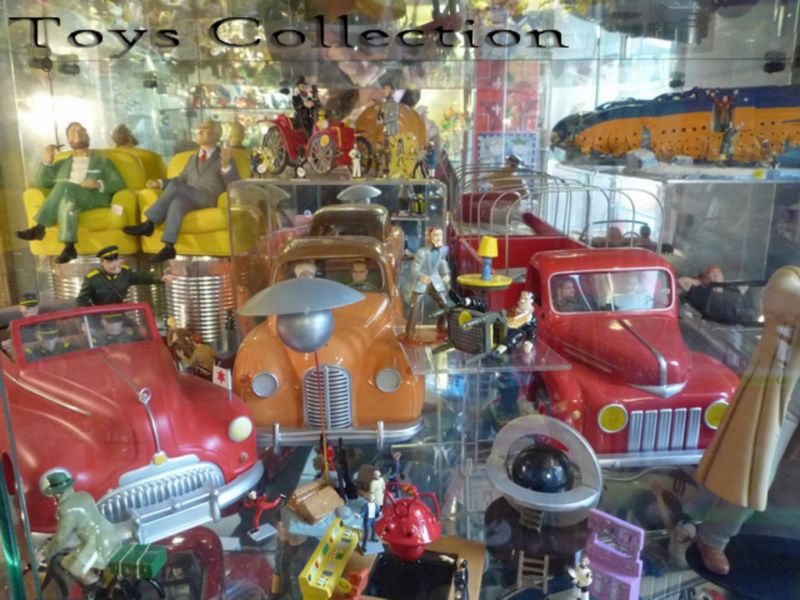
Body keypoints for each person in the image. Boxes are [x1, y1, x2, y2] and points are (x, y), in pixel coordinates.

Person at [694, 266, 800, 575]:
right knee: (753, 477)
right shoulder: (788, 279)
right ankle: (713, 537)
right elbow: (786, 301)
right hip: (781, 394)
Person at [123, 120, 240, 262]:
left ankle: (149, 223)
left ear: (217, 134)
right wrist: (159, 183)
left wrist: (226, 165)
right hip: (190, 196)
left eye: (205, 128)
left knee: (176, 188)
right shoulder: (192, 158)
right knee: (177, 203)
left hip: (207, 198)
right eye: (199, 127)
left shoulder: (223, 156)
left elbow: (234, 183)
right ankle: (169, 246)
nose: (200, 130)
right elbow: (181, 179)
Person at [16, 122, 126, 264]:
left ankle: (40, 227)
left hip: (93, 197)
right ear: (68, 139)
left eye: (80, 131)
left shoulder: (103, 162)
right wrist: (48, 162)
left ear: (87, 135)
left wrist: (98, 183)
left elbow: (119, 183)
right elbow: (41, 184)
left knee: (64, 186)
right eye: (72, 133)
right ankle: (69, 247)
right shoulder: (62, 164)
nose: (77, 134)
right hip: (70, 197)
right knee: (67, 201)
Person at [39, 470, 123, 586]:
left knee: (71, 566)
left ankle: (96, 588)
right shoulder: (84, 495)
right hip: (110, 534)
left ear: (58, 494)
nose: (54, 498)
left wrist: (45, 553)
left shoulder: (66, 509)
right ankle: (103, 586)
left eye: (53, 494)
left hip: (96, 544)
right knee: (71, 559)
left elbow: (60, 539)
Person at [76, 245, 173, 306]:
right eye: (110, 262)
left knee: (139, 331)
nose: (115, 265)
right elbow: (81, 301)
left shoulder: (125, 272)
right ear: (103, 263)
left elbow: (141, 277)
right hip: (101, 316)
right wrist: (92, 318)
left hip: (120, 313)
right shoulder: (93, 279)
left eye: (116, 260)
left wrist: (160, 278)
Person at [406, 226, 451, 339]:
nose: (438, 238)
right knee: (415, 306)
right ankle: (410, 332)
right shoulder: (421, 252)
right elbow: (414, 269)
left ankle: (441, 327)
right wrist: (421, 277)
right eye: (436, 235)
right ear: (429, 237)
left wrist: (445, 274)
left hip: (435, 280)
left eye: (440, 235)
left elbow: (442, 262)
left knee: (444, 304)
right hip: (422, 282)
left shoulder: (442, 250)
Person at [679, 265, 752, 322]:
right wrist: (701, 282)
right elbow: (682, 282)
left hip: (728, 327)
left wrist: (721, 284)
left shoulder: (731, 290)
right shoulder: (702, 293)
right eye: (712, 274)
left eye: (717, 273)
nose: (716, 276)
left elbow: (744, 286)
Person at [492, 291, 537, 357]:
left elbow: (532, 331)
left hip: (511, 335)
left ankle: (499, 350)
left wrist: (529, 342)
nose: (522, 301)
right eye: (521, 298)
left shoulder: (530, 317)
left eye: (525, 299)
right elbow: (503, 316)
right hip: (500, 329)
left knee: (520, 333)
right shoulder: (513, 309)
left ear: (531, 301)